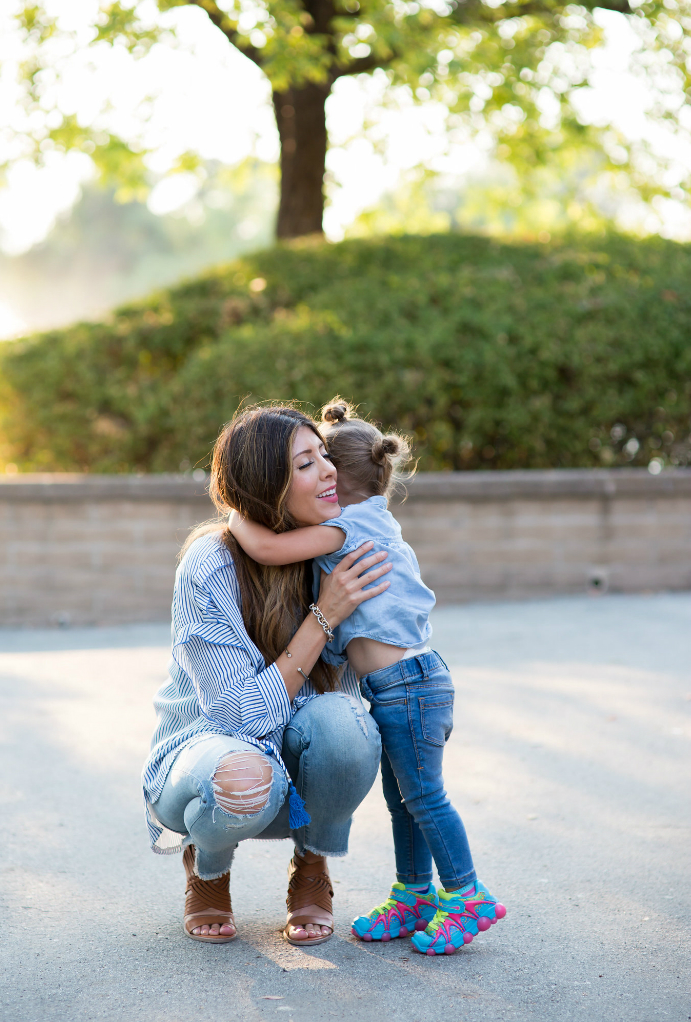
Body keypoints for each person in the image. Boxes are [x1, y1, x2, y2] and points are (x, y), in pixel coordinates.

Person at [228, 398, 506, 957]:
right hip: (407, 684)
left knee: (423, 797)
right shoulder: (378, 516)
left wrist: (232, 512)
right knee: (404, 799)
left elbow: (264, 545)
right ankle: (413, 893)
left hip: (408, 687)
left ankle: (467, 895)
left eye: (321, 463)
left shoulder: (343, 530)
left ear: (340, 477)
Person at [141, 405, 392, 947]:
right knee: (242, 774)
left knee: (347, 726)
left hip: (300, 770)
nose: (328, 470)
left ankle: (313, 864)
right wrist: (323, 618)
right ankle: (208, 865)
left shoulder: (340, 549)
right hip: (207, 759)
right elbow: (238, 717)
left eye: (325, 455)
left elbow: (378, 669)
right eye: (306, 464)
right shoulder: (210, 564)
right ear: (266, 486)